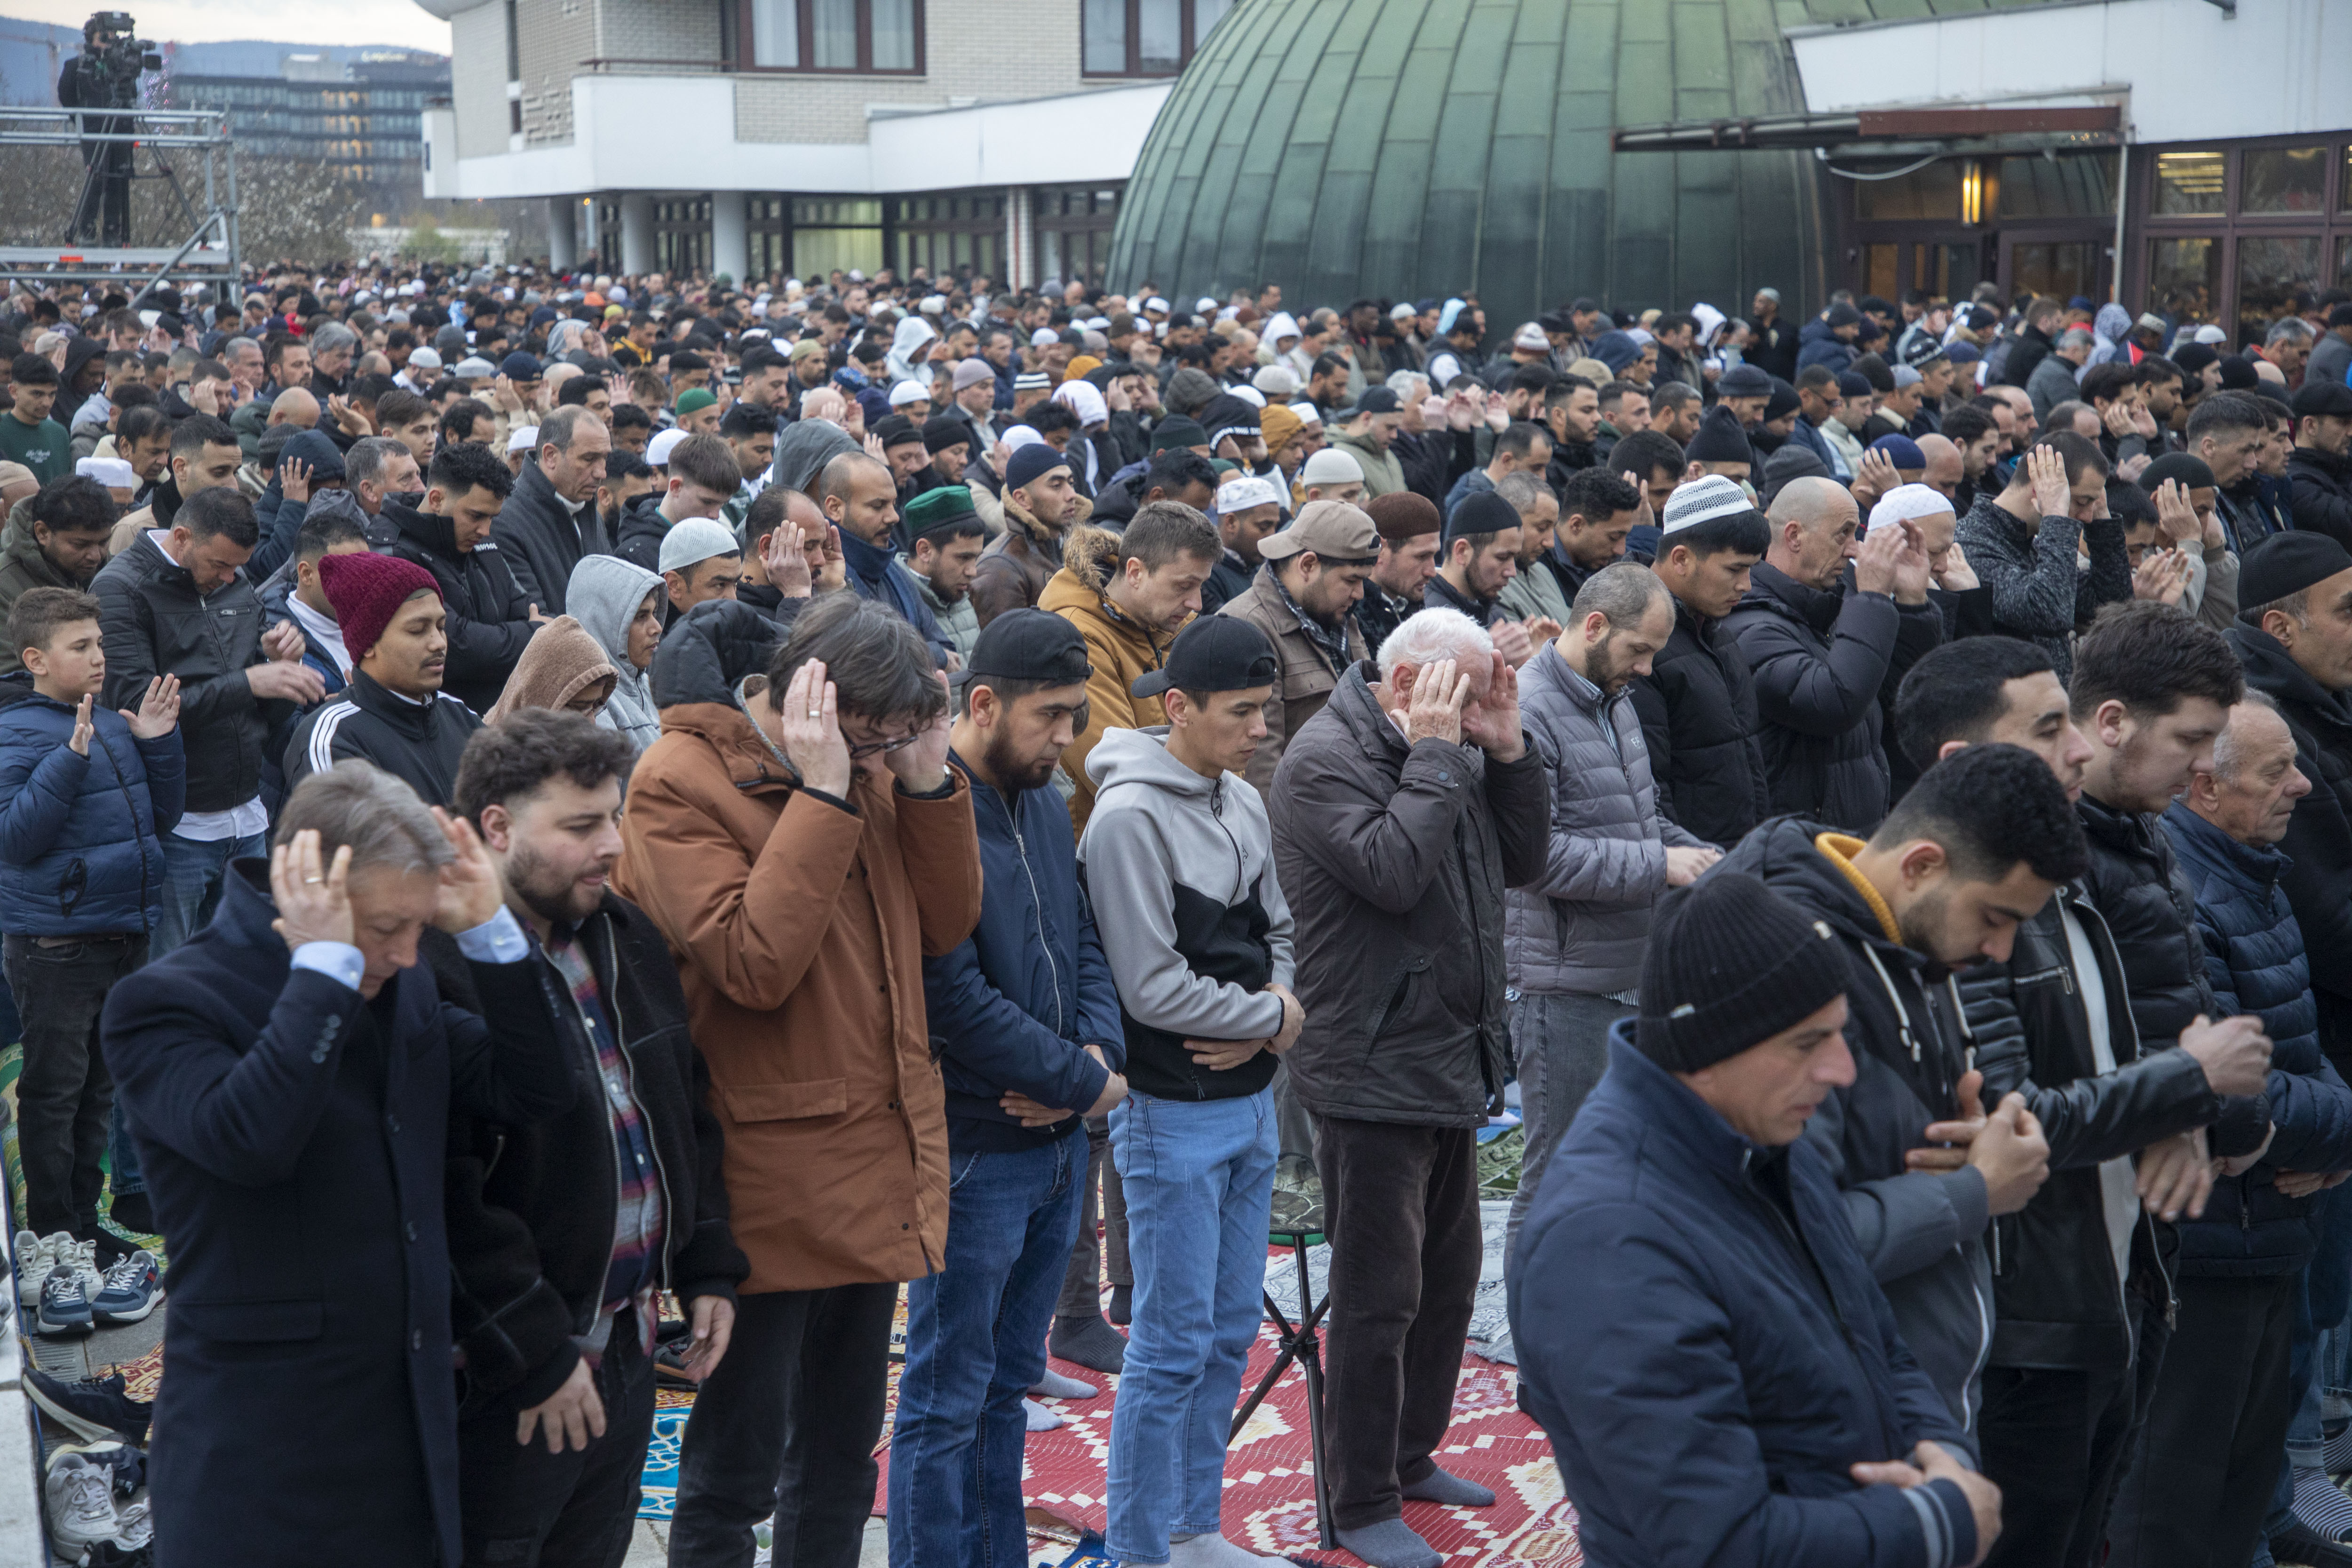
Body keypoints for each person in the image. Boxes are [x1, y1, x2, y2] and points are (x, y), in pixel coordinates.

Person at [98, 762, 572, 1568]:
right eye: (386, 927)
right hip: (264, 1461)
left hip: (408, 1441)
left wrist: (492, 933)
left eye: (417, 926)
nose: (407, 952)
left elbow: (532, 1085)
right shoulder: (167, 1001)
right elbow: (250, 1139)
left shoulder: (403, 981)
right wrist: (322, 975)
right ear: (308, 888)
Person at [614, 593, 981, 1568]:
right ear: (811, 696)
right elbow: (753, 962)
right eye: (870, 740)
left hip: (874, 1155)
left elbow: (944, 927)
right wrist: (823, 795)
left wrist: (930, 781)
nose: (876, 759)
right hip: (767, 1178)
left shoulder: (865, 763)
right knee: (736, 1471)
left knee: (838, 1460)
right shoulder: (677, 781)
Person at [1894, 635, 2266, 1568]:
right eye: (2049, 727)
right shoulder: (1964, 911)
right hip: (2031, 1320)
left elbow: (2153, 1036)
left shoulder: (2071, 883)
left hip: (2115, 1281)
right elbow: (2015, 1125)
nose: (2076, 751)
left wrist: (2182, 1105)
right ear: (1963, 764)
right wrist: (2186, 1084)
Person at [1509, 869, 2002, 1568]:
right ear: (1707, 1051)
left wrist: (1942, 1456)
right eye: (1808, 1043)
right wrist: (1937, 1520)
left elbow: (1879, 1341)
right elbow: (1713, 1542)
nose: (1842, 1070)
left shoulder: (1766, 1141)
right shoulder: (1607, 1240)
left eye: (1841, 1035)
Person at [1269, 602, 1545, 1567]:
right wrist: (1439, 755)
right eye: (1463, 698)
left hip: (1446, 1051)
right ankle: (1358, 1496)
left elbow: (1524, 860)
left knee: (1446, 1279)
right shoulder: (1324, 760)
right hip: (1369, 1064)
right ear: (1404, 688)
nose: (1473, 715)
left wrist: (1507, 752)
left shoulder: (1449, 742)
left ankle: (1411, 1453)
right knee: (1378, 1293)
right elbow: (1391, 870)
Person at [444, 709, 748, 1568]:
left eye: (612, 817)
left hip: (628, 1341)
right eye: (581, 825)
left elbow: (683, 1107)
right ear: (497, 826)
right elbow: (445, 1191)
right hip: (510, 1375)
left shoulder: (620, 930)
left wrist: (707, 1262)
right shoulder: (441, 961)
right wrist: (533, 1351)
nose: (611, 844)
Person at [1719, 743, 2073, 1427]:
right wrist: (1972, 1191)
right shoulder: (1789, 966)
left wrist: (1974, 1145)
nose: (1999, 951)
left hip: (1914, 1387)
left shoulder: (1902, 933)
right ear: (1920, 865)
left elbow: (1878, 1149)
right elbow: (1780, 1242)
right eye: (1995, 919)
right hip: (1833, 1416)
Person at [892, 610, 1128, 1568]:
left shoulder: (1038, 790)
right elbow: (949, 991)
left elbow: (1081, 935)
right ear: (982, 703)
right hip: (974, 1149)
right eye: (1053, 717)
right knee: (945, 1401)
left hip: (1054, 1142)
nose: (1068, 741)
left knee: (1005, 1387)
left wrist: (1098, 1060)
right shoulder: (931, 804)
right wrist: (1077, 1079)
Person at [1079, 614, 1303, 1568]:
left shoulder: (1242, 800)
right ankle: (1139, 1548)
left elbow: (1285, 934)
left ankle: (1192, 1528)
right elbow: (1151, 988)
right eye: (1241, 710)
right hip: (1170, 1114)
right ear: (1178, 707)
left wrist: (1274, 1015)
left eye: (1264, 709)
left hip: (1249, 1104)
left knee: (1225, 1332)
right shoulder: (1127, 818)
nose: (1257, 728)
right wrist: (1273, 1015)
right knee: (1168, 1345)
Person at [2159, 696, 2352, 1568]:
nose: (2302, 785)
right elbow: (2239, 1092)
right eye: (2277, 772)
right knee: (2191, 1488)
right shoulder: (2187, 894)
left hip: (2270, 1216)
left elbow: (2303, 1053)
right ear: (2205, 785)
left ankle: (2276, 1519)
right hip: (2218, 1229)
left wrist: (2339, 1138)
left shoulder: (2254, 866)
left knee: (2252, 1457)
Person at [1502, 563, 1718, 1239]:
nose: (1649, 669)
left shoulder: (1613, 698)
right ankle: (1540, 1333)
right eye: (1640, 650)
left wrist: (1717, 861)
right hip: (1562, 989)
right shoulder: (1530, 710)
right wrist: (1661, 865)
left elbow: (1643, 821)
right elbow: (1535, 860)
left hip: (1626, 975)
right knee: (1557, 1176)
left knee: (1618, 1167)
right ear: (1594, 626)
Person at [0, 589, 179, 1306]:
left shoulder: (108, 718)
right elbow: (17, 838)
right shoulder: (16, 730)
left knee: (99, 1090)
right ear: (36, 659)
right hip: (56, 944)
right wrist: (70, 757)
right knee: (54, 1092)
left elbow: (159, 818)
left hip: (122, 931)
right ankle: (52, 1230)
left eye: (100, 643)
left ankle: (86, 1222)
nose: (100, 657)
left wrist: (161, 745)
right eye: (81, 647)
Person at [1724, 475, 1943, 833]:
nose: (1854, 550)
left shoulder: (1831, 607)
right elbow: (1835, 701)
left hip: (1851, 835)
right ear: (1794, 536)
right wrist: (1872, 598)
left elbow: (1903, 693)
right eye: (1843, 533)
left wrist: (1912, 603)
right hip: (1800, 848)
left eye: (1856, 534)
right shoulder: (1750, 625)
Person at [1045, 504, 1222, 835]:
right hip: (1114, 845)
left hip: (1182, 830)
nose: (1197, 603)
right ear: (1136, 572)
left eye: (1201, 586)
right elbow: (1116, 768)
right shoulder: (1077, 636)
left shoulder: (1176, 625)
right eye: (1184, 585)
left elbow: (1223, 745)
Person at [1629, 474, 1772, 848]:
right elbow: (1649, 788)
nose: (1747, 585)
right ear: (1681, 559)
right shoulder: (1638, 644)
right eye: (1734, 569)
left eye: (1752, 569)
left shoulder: (1711, 626)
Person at [282, 550, 480, 808]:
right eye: (417, 630)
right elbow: (358, 845)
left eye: (441, 627)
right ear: (368, 644)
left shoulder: (461, 716)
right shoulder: (332, 740)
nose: (438, 643)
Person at [1216, 499, 1377, 797]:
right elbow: (1258, 767)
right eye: (1352, 580)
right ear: (1308, 565)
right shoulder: (1248, 627)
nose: (1360, 594)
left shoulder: (1338, 615)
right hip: (1300, 828)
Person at [1954, 433, 2128, 685]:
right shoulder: (1971, 543)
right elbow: (2050, 613)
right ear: (2040, 490)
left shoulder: (2034, 542)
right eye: (2081, 501)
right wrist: (2056, 517)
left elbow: (2113, 608)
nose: (2088, 517)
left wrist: (2102, 521)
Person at [384, 441, 542, 714]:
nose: (486, 531)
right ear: (436, 500)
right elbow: (456, 647)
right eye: (476, 516)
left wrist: (503, 639)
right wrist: (534, 634)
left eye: (492, 518)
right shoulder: (396, 554)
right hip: (443, 720)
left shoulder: (482, 544)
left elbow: (527, 608)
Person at [492, 406, 613, 616]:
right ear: (550, 456)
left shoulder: (590, 512)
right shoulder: (505, 521)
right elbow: (536, 620)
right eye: (589, 459)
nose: (601, 472)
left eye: (604, 458)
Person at [0, 474, 112, 677]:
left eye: (104, 543)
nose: (96, 556)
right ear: (42, 532)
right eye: (81, 545)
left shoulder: (112, 575)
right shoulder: (5, 585)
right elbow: (13, 678)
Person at [567, 553, 667, 753]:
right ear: (606, 624)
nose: (657, 628)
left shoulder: (652, 686)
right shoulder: (596, 710)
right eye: (641, 616)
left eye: (654, 614)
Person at [971, 444, 1081, 625]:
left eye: (1071, 483)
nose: (1072, 495)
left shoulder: (1067, 546)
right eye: (1056, 485)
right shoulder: (1000, 568)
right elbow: (1011, 650)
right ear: (1022, 499)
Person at [1425, 491, 1535, 665]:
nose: (1512, 572)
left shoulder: (1492, 612)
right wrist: (1484, 657)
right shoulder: (1428, 619)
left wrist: (1537, 655)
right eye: (1502, 557)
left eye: (1515, 558)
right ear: (1462, 552)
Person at [898, 486, 987, 663]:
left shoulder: (960, 595)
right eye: (964, 558)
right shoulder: (897, 603)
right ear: (925, 551)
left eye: (976, 558)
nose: (973, 571)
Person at [1354, 492, 1442, 653]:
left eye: (1434, 555)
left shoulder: (1428, 614)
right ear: (1380, 550)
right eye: (1421, 556)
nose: (1432, 572)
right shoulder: (1351, 619)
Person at [2285, 380, 2352, 547]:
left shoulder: (2338, 468)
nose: (2351, 432)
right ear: (2311, 426)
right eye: (2343, 423)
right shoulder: (2295, 481)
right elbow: (2346, 525)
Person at [659, 518, 747, 621]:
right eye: (720, 585)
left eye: (735, 584)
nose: (734, 600)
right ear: (674, 585)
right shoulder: (652, 636)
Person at [1, 354, 69, 484]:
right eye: (37, 394)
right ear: (13, 391)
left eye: (52, 394)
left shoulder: (60, 434)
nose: (46, 403)